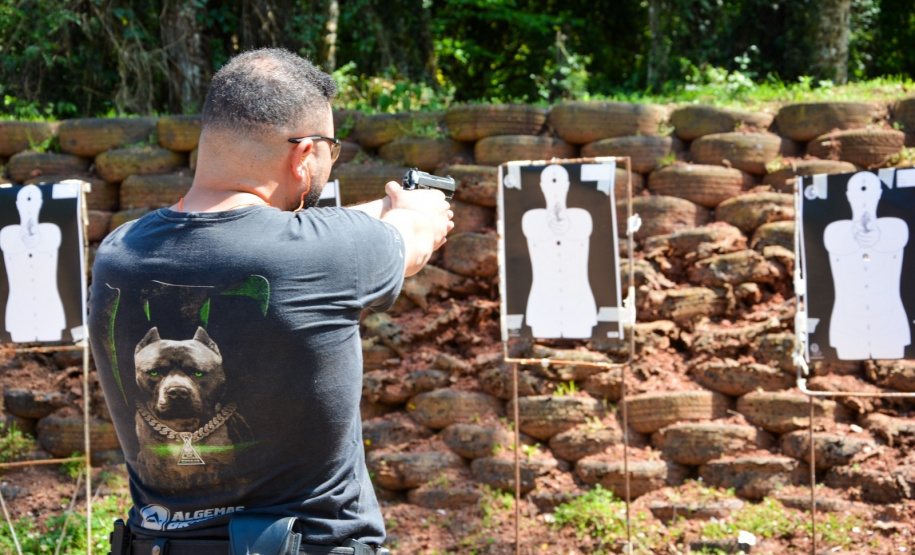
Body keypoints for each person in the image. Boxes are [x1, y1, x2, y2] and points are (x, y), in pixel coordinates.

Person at [87, 48, 452, 555]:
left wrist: (384, 210)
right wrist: (418, 208)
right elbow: (414, 235)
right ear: (303, 155)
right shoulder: (324, 253)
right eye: (330, 151)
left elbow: (282, 235)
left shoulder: (119, 252)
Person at [824, 171, 909, 359]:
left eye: (868, 191)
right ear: (849, 196)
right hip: (847, 323)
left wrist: (874, 233)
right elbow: (844, 243)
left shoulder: (895, 227)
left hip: (891, 322)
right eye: (859, 191)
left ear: (878, 194)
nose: (863, 198)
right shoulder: (835, 231)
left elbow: (888, 239)